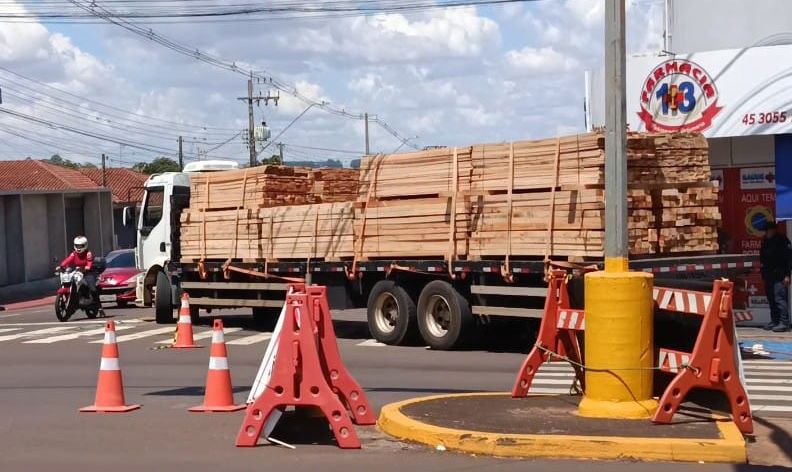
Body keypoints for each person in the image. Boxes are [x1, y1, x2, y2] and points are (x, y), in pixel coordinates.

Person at [759, 221, 791, 332]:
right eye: (766, 231)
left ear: (773, 230)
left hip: (780, 275)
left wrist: (787, 275)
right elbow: (763, 258)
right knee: (771, 299)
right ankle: (775, 321)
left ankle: (784, 322)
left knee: (780, 298)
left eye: (768, 230)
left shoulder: (782, 241)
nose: (767, 233)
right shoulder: (766, 241)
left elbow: (788, 260)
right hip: (769, 275)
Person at [56, 236, 99, 306]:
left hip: (87, 272)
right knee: (71, 278)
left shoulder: (88, 253)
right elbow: (68, 259)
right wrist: (61, 266)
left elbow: (89, 262)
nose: (78, 248)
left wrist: (87, 267)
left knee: (92, 288)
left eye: (81, 246)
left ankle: (99, 306)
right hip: (78, 271)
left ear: (85, 245)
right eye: (77, 246)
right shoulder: (74, 254)